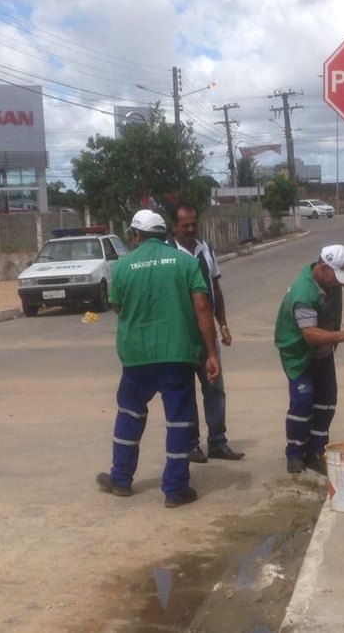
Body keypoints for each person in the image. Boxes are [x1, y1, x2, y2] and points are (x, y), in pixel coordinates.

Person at [96, 209, 220, 508]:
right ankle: (175, 490)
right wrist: (211, 353)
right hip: (177, 354)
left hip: (136, 356)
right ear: (164, 234)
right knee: (179, 421)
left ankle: (121, 480)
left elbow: (117, 307)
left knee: (129, 415)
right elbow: (203, 307)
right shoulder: (186, 263)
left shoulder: (123, 267)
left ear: (136, 235)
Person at [274, 244, 344, 475]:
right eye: (336, 278)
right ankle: (294, 454)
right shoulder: (303, 294)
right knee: (302, 404)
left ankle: (316, 452)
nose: (339, 283)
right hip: (299, 354)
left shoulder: (332, 277)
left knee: (326, 403)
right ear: (322, 268)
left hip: (323, 352)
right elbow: (310, 335)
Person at [167, 203, 244, 463]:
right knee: (185, 390)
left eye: (193, 224)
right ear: (173, 226)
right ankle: (191, 445)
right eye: (184, 225)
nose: (190, 229)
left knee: (215, 388)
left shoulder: (206, 249)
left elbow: (215, 288)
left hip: (207, 332)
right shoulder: (167, 254)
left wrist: (222, 323)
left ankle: (218, 442)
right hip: (181, 335)